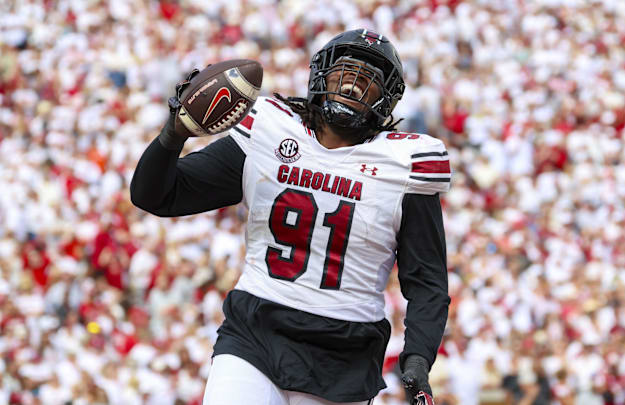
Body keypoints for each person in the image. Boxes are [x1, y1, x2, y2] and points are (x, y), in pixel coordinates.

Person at [130, 29, 451, 405]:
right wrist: (173, 134)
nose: (351, 88)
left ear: (386, 100)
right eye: (344, 74)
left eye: (367, 83)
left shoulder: (404, 165)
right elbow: (157, 195)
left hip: (344, 352)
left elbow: (427, 280)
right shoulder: (269, 128)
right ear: (319, 75)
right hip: (256, 331)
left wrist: (417, 357)